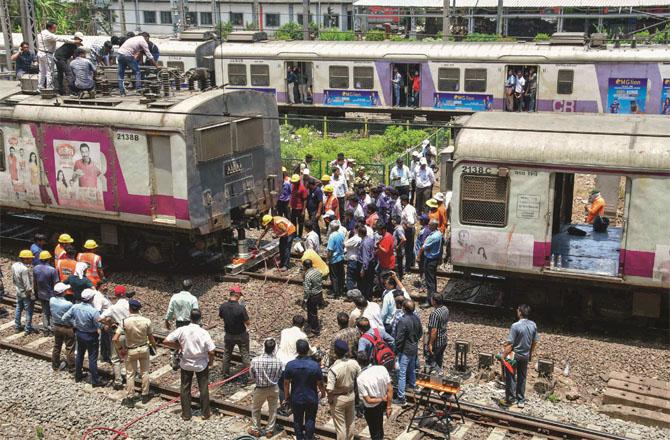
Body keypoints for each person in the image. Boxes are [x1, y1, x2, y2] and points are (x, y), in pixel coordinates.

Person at [164, 309, 215, 421]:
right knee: (203, 388)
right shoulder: (203, 332)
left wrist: (179, 346)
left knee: (185, 388)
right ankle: (205, 413)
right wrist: (210, 361)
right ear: (200, 318)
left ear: (189, 318)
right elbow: (211, 351)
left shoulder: (182, 330)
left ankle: (186, 414)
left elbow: (166, 341)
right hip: (201, 364)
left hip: (186, 363)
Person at [115, 299, 157, 406]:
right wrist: (154, 346)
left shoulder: (124, 321)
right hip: (144, 349)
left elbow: (115, 338)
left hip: (131, 350)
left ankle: (130, 397)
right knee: (145, 372)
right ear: (139, 309)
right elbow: (151, 338)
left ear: (129, 308)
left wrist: (121, 349)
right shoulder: (146, 321)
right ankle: (145, 394)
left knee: (130, 374)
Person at [62, 289, 106, 386]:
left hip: (80, 334)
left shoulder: (75, 307)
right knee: (92, 358)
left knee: (80, 355)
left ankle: (78, 376)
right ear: (91, 299)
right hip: (91, 336)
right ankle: (95, 381)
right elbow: (100, 325)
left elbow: (64, 318)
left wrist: (74, 324)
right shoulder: (93, 311)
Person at [284, 339, 326, 440]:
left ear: (297, 350)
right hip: (311, 397)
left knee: (297, 420)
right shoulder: (315, 365)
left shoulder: (290, 365)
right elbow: (320, 383)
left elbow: (286, 383)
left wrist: (287, 396)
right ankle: (309, 438)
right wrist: (323, 393)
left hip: (296, 397)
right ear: (308, 350)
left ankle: (299, 438)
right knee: (310, 419)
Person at [500, 304, 539, 408]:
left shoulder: (515, 326)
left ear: (520, 312)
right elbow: (535, 341)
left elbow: (510, 345)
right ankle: (521, 400)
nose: (517, 311)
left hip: (514, 356)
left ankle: (510, 399)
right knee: (522, 377)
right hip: (525, 355)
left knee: (511, 377)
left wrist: (503, 356)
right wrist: (530, 353)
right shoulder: (533, 325)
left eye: (518, 310)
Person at [249, 338, 283, 438]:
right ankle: (269, 430)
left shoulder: (255, 360)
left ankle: (256, 429)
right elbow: (279, 375)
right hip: (273, 388)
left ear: (264, 347)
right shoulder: (278, 361)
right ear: (274, 349)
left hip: (260, 388)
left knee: (256, 409)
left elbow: (252, 375)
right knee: (273, 410)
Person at [327, 340, 361, 440]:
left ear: (335, 352)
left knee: (340, 426)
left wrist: (330, 400)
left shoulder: (333, 369)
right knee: (350, 422)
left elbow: (329, 389)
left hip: (338, 399)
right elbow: (360, 377)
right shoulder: (354, 363)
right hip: (351, 395)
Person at [99, 285, 131, 389]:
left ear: (116, 295)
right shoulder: (130, 305)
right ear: (125, 294)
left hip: (118, 333)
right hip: (131, 333)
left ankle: (118, 382)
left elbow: (100, 318)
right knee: (128, 357)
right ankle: (130, 380)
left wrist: (110, 324)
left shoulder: (113, 308)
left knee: (116, 358)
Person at [356, 351, 393, 440]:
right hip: (382, 404)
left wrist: (382, 399)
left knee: (374, 430)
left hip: (371, 408)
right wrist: (389, 407)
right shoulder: (381, 368)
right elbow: (390, 389)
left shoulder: (360, 378)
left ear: (359, 363)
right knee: (379, 427)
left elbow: (368, 400)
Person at [394, 300, 422, 406]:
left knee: (401, 373)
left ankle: (401, 398)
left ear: (403, 308)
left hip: (405, 349)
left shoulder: (403, 320)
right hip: (414, 347)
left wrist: (396, 350)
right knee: (411, 369)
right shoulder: (416, 318)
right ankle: (413, 385)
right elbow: (420, 333)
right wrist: (414, 340)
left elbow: (399, 338)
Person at [219, 286, 251, 381]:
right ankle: (247, 375)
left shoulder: (223, 306)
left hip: (228, 334)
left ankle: (225, 373)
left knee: (227, 353)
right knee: (245, 354)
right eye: (240, 295)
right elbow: (247, 322)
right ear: (237, 295)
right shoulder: (241, 308)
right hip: (241, 334)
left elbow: (221, 316)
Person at [37, 21, 75, 90]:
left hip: (41, 53)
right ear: (49, 28)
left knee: (42, 71)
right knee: (49, 72)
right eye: (54, 28)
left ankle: (40, 87)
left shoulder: (42, 33)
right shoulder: (49, 35)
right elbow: (60, 39)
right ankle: (49, 87)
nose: (55, 29)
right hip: (47, 54)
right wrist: (74, 41)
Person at [418, 219, 443, 308]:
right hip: (434, 260)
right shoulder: (439, 233)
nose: (428, 226)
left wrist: (418, 257)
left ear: (434, 226)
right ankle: (435, 298)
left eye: (430, 225)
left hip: (430, 260)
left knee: (430, 282)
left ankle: (429, 301)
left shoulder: (433, 237)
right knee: (433, 280)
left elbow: (423, 248)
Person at [50, 282, 74, 372]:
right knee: (70, 347)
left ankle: (55, 365)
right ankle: (72, 367)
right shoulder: (68, 304)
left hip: (56, 326)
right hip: (67, 327)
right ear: (63, 292)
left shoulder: (51, 300)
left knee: (57, 346)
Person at [34, 250, 59, 333]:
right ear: (48, 259)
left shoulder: (36, 268)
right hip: (51, 295)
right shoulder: (52, 270)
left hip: (41, 294)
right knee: (52, 312)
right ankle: (52, 329)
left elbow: (35, 282)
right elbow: (56, 284)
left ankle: (45, 329)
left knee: (45, 312)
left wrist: (36, 293)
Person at [12, 249, 36, 334]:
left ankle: (17, 326)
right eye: (30, 258)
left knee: (18, 308)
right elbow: (27, 285)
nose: (31, 260)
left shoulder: (14, 265)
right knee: (28, 311)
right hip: (26, 293)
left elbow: (13, 279)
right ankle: (27, 328)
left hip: (18, 290)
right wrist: (31, 295)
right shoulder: (24, 269)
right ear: (25, 259)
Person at [427, 294, 449, 373]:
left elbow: (434, 331)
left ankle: (439, 375)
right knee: (439, 359)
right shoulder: (445, 309)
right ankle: (436, 378)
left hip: (437, 342)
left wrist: (430, 344)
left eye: (432, 299)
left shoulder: (435, 314)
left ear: (434, 301)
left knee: (432, 361)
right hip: (444, 339)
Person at [302, 259, 323, 336]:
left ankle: (315, 330)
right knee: (312, 310)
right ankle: (310, 323)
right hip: (319, 293)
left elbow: (307, 290)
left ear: (305, 267)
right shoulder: (317, 271)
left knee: (312, 312)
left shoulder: (307, 276)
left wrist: (304, 300)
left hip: (313, 296)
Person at [327, 221, 346, 299]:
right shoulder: (341, 234)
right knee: (340, 275)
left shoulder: (332, 236)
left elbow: (330, 250)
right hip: (341, 257)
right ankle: (340, 290)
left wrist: (328, 259)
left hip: (334, 259)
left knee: (334, 276)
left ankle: (335, 293)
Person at [357, 226, 376, 299]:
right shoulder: (370, 239)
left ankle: (366, 298)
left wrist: (363, 269)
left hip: (365, 265)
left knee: (364, 283)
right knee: (369, 282)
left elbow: (365, 257)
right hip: (371, 263)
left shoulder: (365, 243)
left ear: (360, 233)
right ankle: (369, 296)